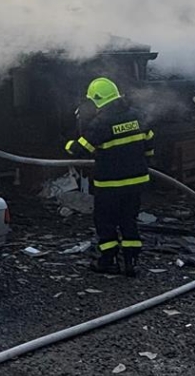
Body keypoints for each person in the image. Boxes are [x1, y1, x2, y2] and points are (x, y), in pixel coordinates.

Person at [65, 77, 155, 276]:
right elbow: (149, 146)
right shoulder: (137, 116)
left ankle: (108, 260)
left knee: (105, 221)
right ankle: (131, 262)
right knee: (128, 220)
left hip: (110, 184)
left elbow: (81, 149)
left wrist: (68, 145)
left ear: (97, 100)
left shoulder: (101, 123)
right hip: (136, 182)